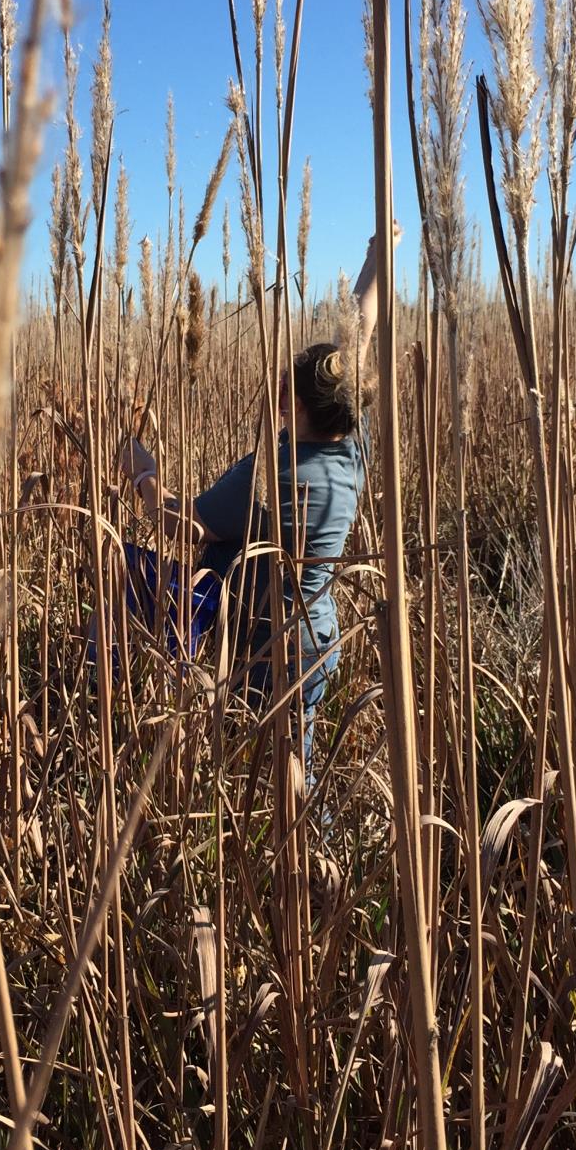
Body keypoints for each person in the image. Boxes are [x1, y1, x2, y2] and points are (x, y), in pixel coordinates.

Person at [116, 230, 388, 763]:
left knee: (276, 772)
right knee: (295, 759)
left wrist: (143, 473)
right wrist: (377, 257)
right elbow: (356, 342)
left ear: (300, 409)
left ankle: (310, 838)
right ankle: (311, 836)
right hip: (316, 633)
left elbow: (183, 525)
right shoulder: (355, 447)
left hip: (266, 646)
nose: (279, 395)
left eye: (289, 392)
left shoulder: (269, 475)